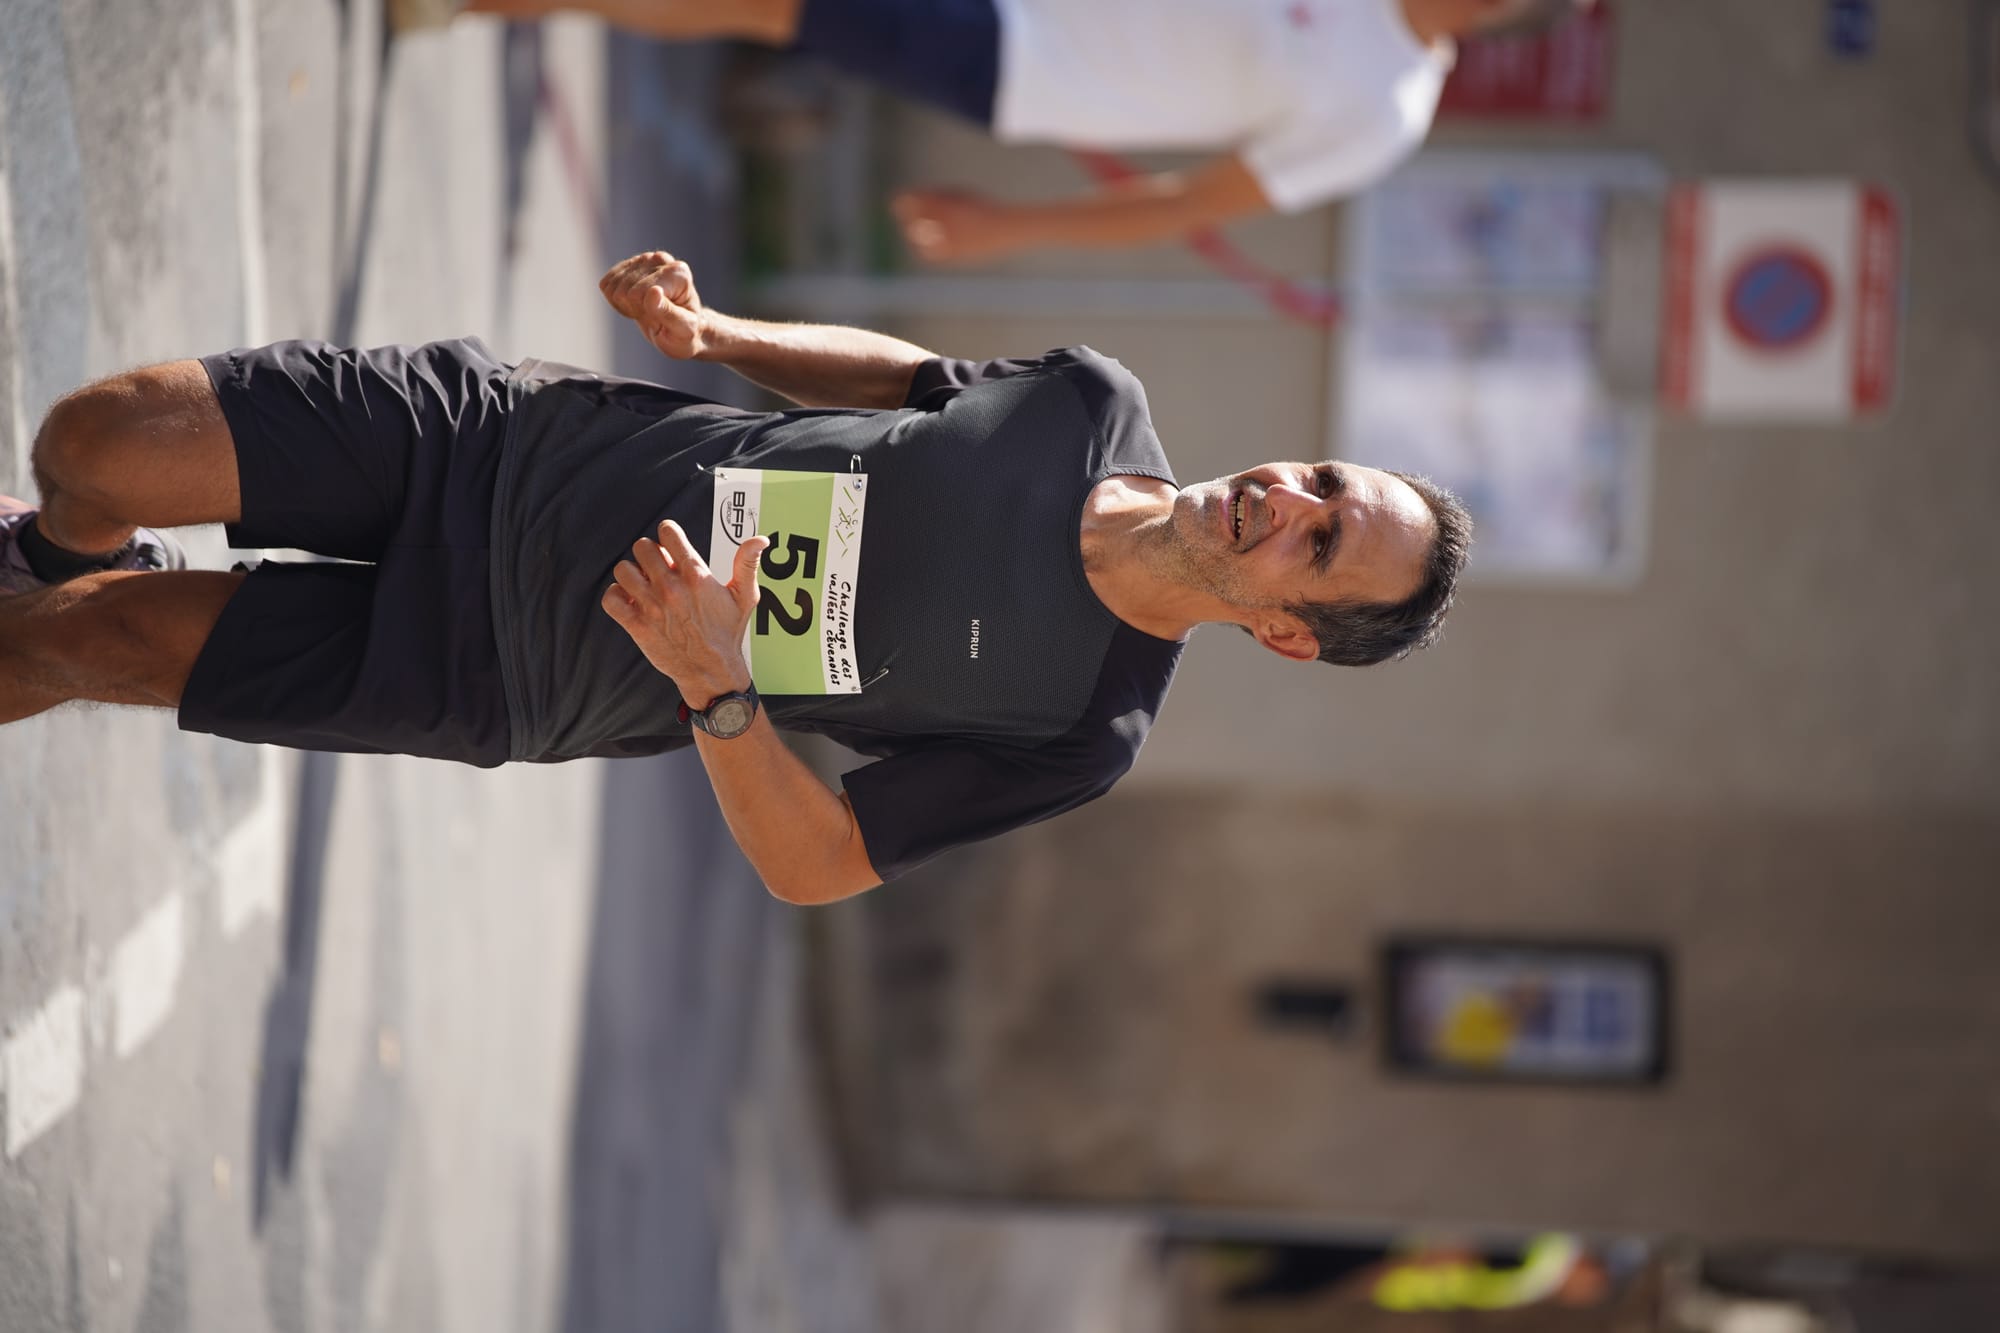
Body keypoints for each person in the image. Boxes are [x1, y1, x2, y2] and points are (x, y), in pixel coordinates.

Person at [0, 251, 1469, 903]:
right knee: (100, 442)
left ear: (1288, 630)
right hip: (506, 446)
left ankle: (57, 599)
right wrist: (716, 337)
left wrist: (716, 681)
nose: (1291, 498)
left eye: (1322, 542)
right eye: (1326, 480)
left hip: (497, 665)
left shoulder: (1083, 728)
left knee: (86, 645)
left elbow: (818, 863)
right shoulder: (1094, 400)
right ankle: (53, 541)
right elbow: (916, 379)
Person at [396, 0, 1592, 263]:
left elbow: (1182, 204)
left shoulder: (1381, 113)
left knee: (779, 3)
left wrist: (1000, 224)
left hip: (1018, 56)